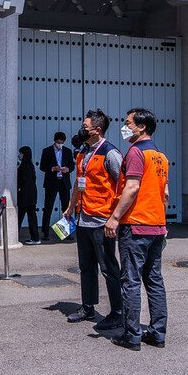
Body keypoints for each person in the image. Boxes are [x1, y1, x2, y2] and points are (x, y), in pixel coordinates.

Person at [106, 108, 170, 351]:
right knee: (154, 280)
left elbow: (131, 188)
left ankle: (132, 335)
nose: (125, 127)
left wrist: (114, 217)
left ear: (141, 127)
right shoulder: (160, 156)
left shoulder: (135, 152)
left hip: (136, 224)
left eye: (128, 123)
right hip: (156, 226)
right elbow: (165, 194)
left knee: (130, 281)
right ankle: (157, 333)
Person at [62, 109, 125, 331]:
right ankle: (87, 307)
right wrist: (71, 207)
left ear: (97, 130)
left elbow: (123, 186)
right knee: (86, 267)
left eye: (85, 126)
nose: (82, 128)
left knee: (108, 268)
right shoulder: (83, 152)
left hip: (102, 221)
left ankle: (118, 312)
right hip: (82, 218)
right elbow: (80, 182)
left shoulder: (111, 154)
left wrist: (114, 218)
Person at [40, 132, 74, 241]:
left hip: (64, 181)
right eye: (58, 142)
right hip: (52, 182)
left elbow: (72, 165)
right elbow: (42, 166)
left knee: (66, 207)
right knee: (48, 207)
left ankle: (66, 232)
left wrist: (67, 169)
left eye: (62, 143)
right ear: (54, 140)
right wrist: (52, 168)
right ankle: (45, 232)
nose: (60, 144)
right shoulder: (47, 151)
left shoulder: (68, 151)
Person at [17, 146, 40, 245]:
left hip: (24, 195)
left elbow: (21, 180)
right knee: (32, 217)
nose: (20, 155)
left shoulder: (23, 166)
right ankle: (35, 238)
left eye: (21, 153)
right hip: (32, 194)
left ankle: (12, 236)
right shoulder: (30, 165)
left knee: (19, 217)